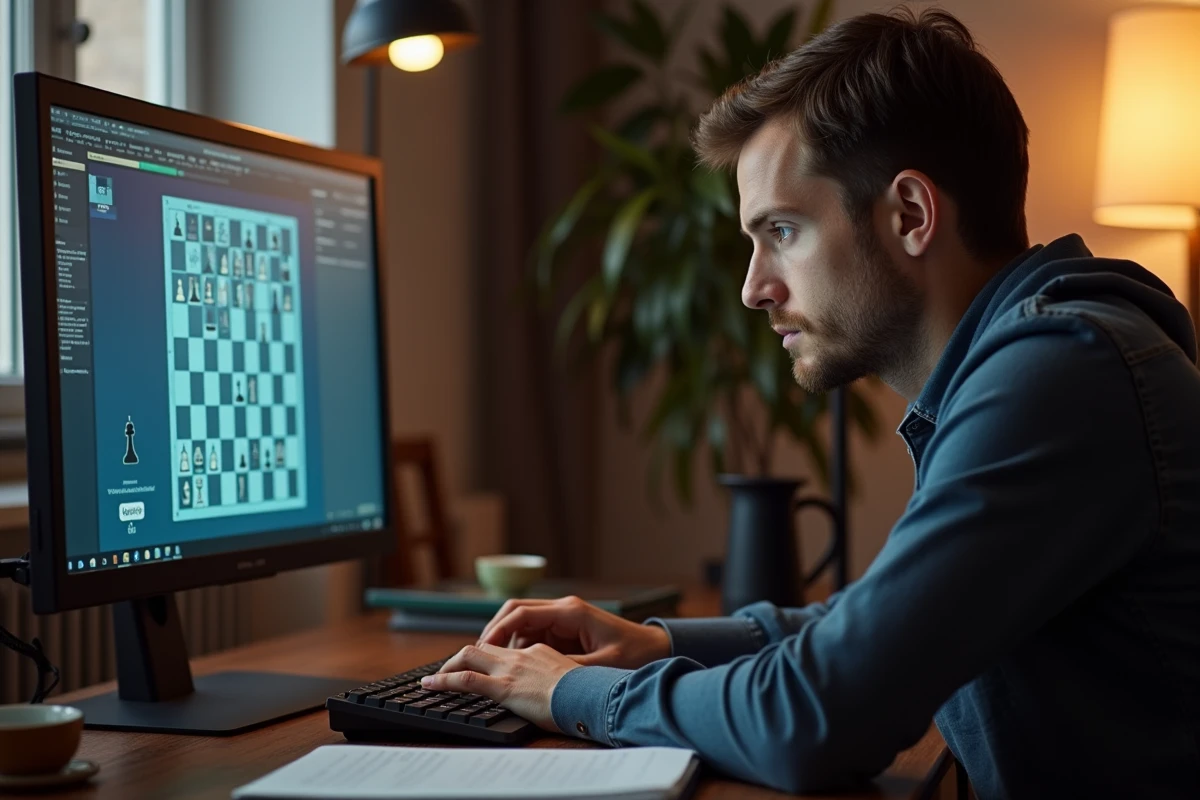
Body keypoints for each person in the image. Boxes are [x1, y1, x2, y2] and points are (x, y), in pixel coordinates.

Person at [421, 8, 1200, 797]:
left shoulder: (1062, 375)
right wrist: (656, 644)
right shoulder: (1046, 361)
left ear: (911, 215)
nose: (754, 288)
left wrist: (564, 691)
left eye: (782, 231)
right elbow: (871, 632)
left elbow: (817, 714)